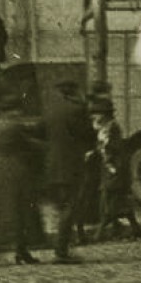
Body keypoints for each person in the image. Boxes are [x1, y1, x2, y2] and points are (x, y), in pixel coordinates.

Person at [0, 90, 44, 265]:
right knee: (22, 210)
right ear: (14, 110)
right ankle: (21, 250)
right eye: (18, 110)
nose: (20, 113)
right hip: (17, 169)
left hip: (0, 169)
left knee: (4, 209)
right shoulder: (15, 125)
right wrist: (46, 146)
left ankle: (16, 250)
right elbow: (27, 144)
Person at [42, 78, 96, 263]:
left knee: (61, 206)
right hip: (71, 166)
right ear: (74, 91)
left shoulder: (50, 110)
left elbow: (41, 132)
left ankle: (64, 245)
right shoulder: (78, 109)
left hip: (52, 165)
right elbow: (89, 135)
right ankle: (61, 252)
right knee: (70, 207)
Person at [88, 95, 141, 242]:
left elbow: (114, 148)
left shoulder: (113, 128)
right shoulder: (103, 127)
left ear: (105, 114)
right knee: (117, 200)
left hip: (116, 168)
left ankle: (99, 232)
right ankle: (134, 228)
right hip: (109, 168)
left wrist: (101, 149)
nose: (94, 116)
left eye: (97, 113)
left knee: (109, 199)